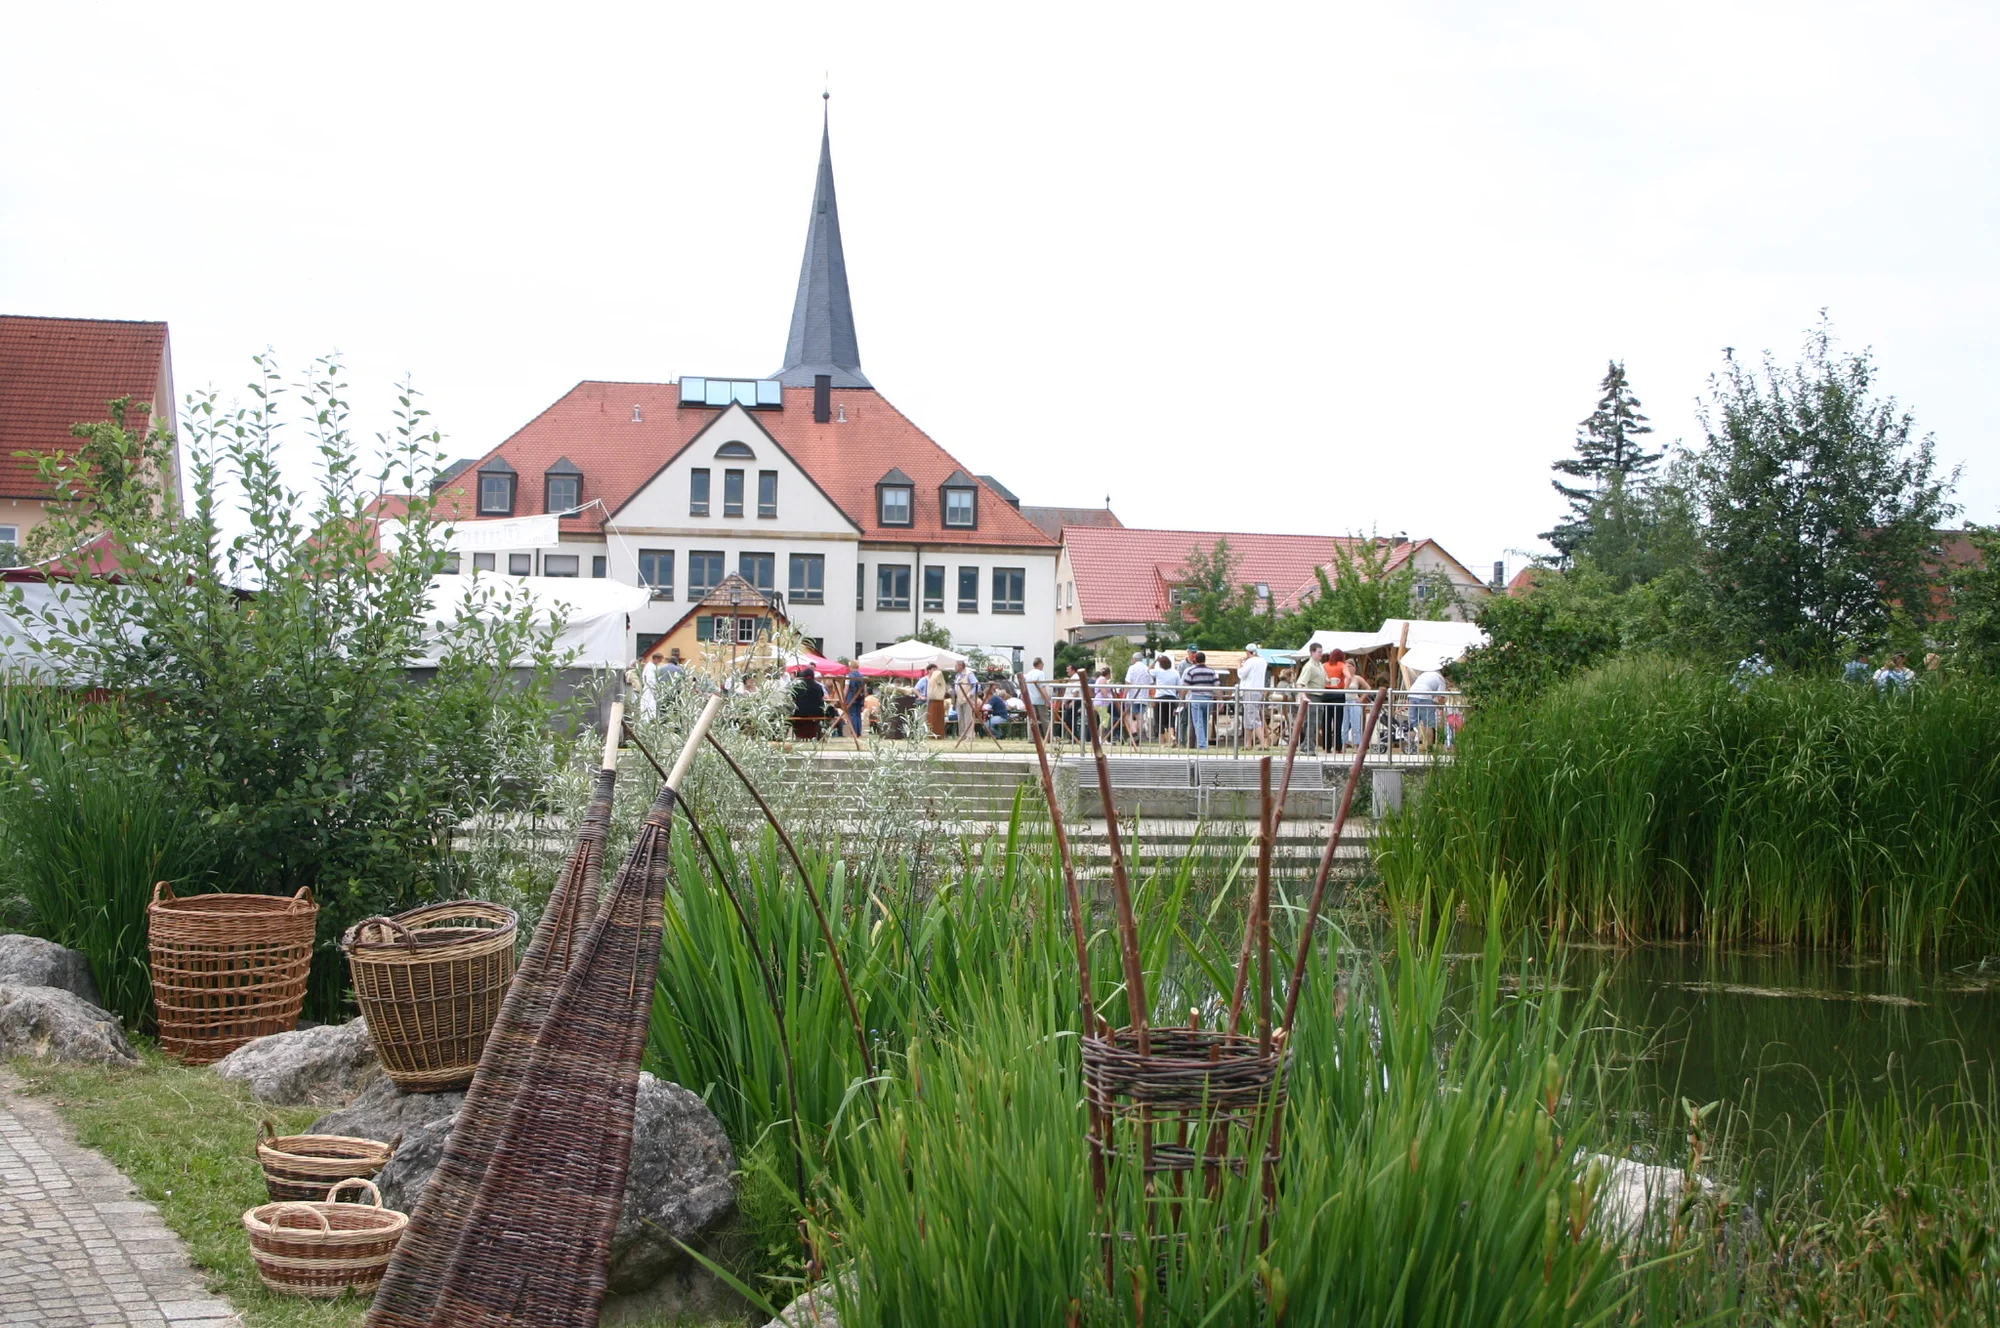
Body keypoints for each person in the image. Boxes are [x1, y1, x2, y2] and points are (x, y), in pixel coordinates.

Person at [1181, 649, 1218, 749]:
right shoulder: (1211, 671)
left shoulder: (1191, 671)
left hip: (1196, 698)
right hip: (1208, 699)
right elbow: (1217, 687)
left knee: (1198, 722)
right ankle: (1204, 742)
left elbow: (1185, 686)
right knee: (1205, 722)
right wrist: (1221, 700)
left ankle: (1202, 744)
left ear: (1195, 660)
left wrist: (1182, 698)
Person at [1297, 644, 1330, 753]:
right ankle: (1308, 746)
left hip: (1320, 696)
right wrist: (1304, 696)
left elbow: (1324, 679)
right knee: (1312, 722)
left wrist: (1331, 681)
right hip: (1312, 696)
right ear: (1312, 652)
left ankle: (1306, 745)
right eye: (1319, 652)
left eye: (1321, 651)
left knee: (1316, 722)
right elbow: (1300, 683)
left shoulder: (1320, 665)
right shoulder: (1309, 666)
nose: (1321, 654)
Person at [1409, 663, 1449, 752]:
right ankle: (1429, 747)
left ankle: (1416, 744)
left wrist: (1435, 704)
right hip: (1424, 696)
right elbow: (1440, 697)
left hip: (1412, 694)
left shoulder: (1426, 673)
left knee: (1414, 723)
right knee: (1429, 724)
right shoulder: (1441, 679)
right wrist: (1442, 707)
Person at [1238, 643, 1268, 749]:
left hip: (1250, 690)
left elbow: (1241, 674)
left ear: (1247, 652)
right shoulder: (1263, 661)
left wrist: (1240, 665)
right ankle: (1248, 743)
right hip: (1259, 690)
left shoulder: (1249, 662)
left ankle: (1263, 743)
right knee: (1249, 717)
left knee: (1253, 717)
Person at [1123, 653, 1154, 745]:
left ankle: (1134, 733)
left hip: (1133, 696)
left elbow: (1128, 682)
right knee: (1140, 718)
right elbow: (1151, 682)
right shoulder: (1147, 669)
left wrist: (1124, 694)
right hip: (1143, 696)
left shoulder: (1131, 668)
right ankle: (1138, 736)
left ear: (1134, 659)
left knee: (1128, 716)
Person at [789, 665, 828, 739]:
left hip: (801, 712)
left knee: (791, 715)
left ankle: (799, 736)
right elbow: (822, 696)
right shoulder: (818, 687)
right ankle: (814, 735)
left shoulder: (797, 686)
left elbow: (793, 697)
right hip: (816, 712)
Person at [1151, 654, 1182, 746]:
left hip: (1159, 698)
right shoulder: (1175, 672)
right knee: (1171, 719)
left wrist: (1155, 661)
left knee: (1159, 720)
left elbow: (1147, 670)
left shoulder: (1158, 672)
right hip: (1171, 698)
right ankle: (1172, 736)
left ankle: (1162, 743)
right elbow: (1178, 687)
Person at [953, 664, 979, 742]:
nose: (955, 667)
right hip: (959, 699)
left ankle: (970, 736)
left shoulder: (969, 674)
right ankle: (962, 735)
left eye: (956, 666)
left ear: (961, 666)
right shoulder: (958, 675)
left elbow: (977, 685)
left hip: (967, 699)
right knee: (960, 718)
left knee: (968, 718)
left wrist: (970, 694)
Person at [924, 662, 948, 738]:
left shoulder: (938, 678)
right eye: (933, 669)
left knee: (938, 720)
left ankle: (939, 734)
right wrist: (921, 696)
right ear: (929, 670)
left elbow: (942, 688)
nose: (935, 671)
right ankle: (930, 734)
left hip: (938, 701)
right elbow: (916, 689)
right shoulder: (924, 680)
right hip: (928, 702)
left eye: (936, 669)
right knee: (930, 720)